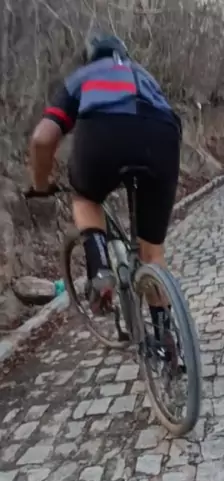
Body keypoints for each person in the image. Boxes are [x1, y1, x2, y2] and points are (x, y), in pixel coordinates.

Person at [26, 33, 182, 314]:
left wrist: (40, 185)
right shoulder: (143, 74)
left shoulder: (82, 76)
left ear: (90, 58)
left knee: (85, 198)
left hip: (104, 133)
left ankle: (99, 271)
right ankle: (165, 334)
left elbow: (42, 139)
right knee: (152, 252)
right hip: (163, 136)